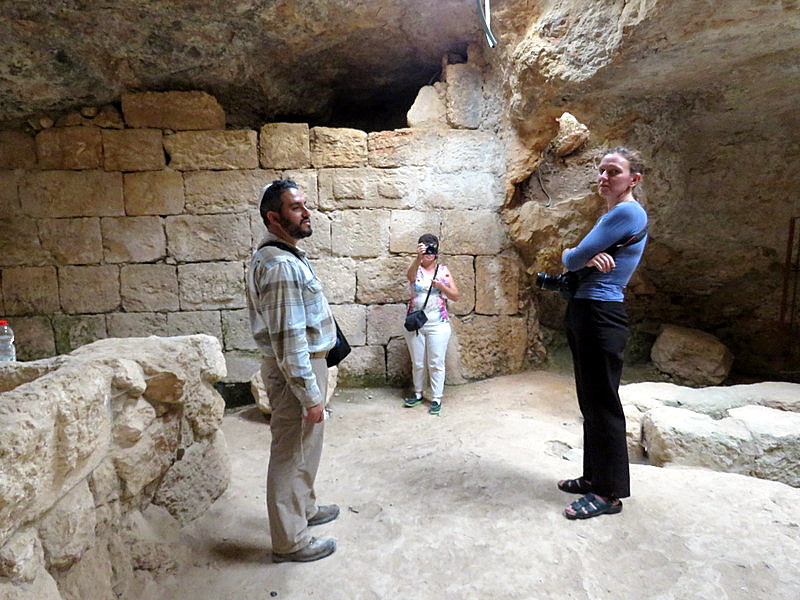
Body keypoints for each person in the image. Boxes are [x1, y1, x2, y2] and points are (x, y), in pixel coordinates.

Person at [246, 179, 339, 562]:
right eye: (296, 207)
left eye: (305, 205)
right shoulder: (281, 265)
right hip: (296, 372)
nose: (306, 212)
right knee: (291, 452)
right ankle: (290, 542)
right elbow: (289, 339)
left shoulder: (285, 255)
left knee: (305, 447)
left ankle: (304, 509)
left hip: (304, 367)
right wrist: (309, 395)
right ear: (274, 217)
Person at [557, 147, 648, 520]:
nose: (604, 177)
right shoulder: (614, 215)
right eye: (602, 170)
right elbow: (582, 257)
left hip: (600, 313)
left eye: (613, 171)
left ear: (633, 179)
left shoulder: (627, 212)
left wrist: (574, 253)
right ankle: (594, 477)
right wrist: (581, 254)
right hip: (588, 310)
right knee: (591, 402)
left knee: (603, 404)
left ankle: (609, 494)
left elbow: (572, 258)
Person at [403, 233, 460, 415]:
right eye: (425, 247)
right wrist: (417, 258)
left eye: (431, 248)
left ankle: (436, 397)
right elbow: (410, 276)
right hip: (416, 323)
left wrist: (442, 286)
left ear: (437, 250)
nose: (429, 252)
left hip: (438, 324)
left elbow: (455, 295)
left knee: (436, 362)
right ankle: (418, 393)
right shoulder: (416, 268)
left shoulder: (443, 271)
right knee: (418, 362)